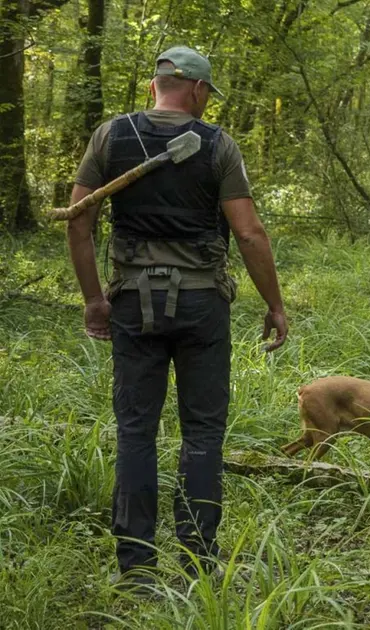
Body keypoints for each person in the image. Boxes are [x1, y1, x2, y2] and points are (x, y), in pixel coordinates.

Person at [65, 45, 288, 589]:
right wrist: (274, 305)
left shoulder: (109, 137)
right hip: (201, 305)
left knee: (136, 431)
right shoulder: (218, 145)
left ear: (153, 87)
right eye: (208, 94)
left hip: (131, 303)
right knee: (204, 433)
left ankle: (137, 570)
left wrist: (96, 299)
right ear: (196, 89)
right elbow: (249, 232)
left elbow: (78, 221)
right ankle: (198, 562)